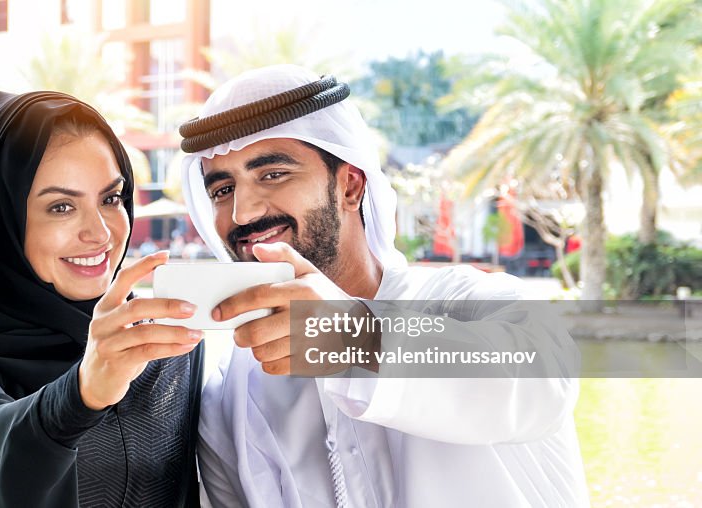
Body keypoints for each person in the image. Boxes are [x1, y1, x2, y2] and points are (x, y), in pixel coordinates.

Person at [178, 65, 587, 507]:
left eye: (273, 174)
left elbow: (536, 389)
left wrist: (345, 334)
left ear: (350, 186)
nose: (242, 213)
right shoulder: (229, 396)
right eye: (222, 189)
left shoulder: (481, 304)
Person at [0, 91, 205, 507]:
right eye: (61, 207)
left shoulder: (164, 345)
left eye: (111, 199)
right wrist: (81, 395)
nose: (100, 233)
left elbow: (282, 429)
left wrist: (309, 328)